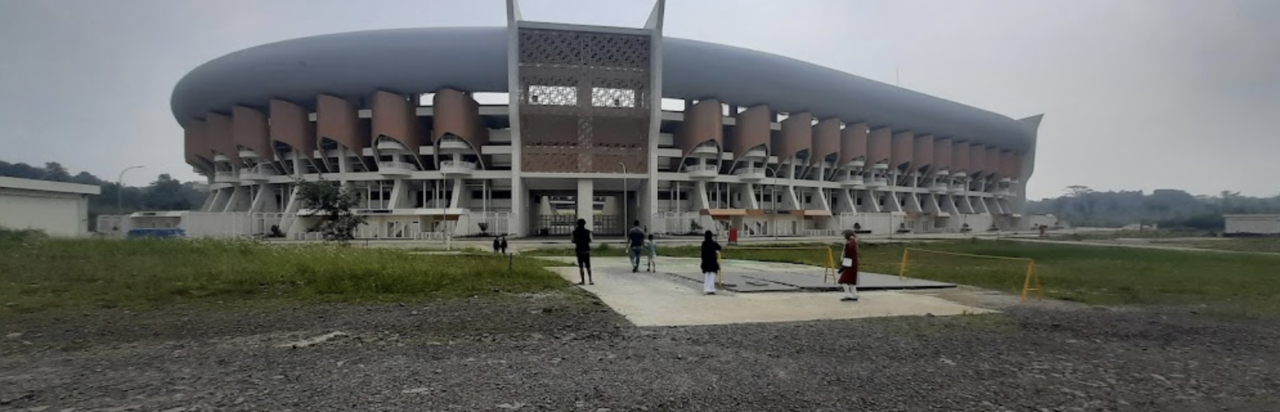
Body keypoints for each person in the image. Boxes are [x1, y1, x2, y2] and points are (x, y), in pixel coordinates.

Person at [837, 229, 860, 302]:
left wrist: (843, 265)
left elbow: (847, 255)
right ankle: (854, 294)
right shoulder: (853, 242)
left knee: (843, 280)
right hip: (853, 264)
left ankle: (848, 295)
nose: (844, 237)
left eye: (844, 235)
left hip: (849, 264)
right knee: (851, 280)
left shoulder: (850, 243)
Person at [570, 218, 594, 285]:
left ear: (577, 224)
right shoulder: (588, 232)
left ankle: (583, 281)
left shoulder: (574, 232)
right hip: (586, 250)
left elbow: (572, 241)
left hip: (579, 250)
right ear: (584, 224)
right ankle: (590, 280)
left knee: (581, 266)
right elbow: (591, 240)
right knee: (588, 266)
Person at [699, 230, 721, 295]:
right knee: (712, 275)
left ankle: (706, 288)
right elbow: (719, 248)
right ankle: (710, 289)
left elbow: (702, 254)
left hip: (705, 262)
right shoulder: (713, 243)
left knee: (706, 276)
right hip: (712, 262)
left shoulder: (704, 244)